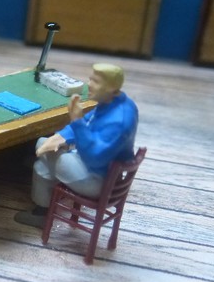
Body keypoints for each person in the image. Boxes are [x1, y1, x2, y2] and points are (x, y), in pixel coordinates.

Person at [14, 63, 138, 228]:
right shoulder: (112, 102)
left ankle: (41, 211)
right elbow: (88, 121)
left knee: (42, 149)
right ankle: (41, 211)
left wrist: (77, 122)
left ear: (111, 88)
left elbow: (94, 157)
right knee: (42, 160)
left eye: (96, 82)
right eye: (90, 79)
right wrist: (61, 137)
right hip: (93, 166)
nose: (89, 84)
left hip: (97, 179)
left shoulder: (119, 121)